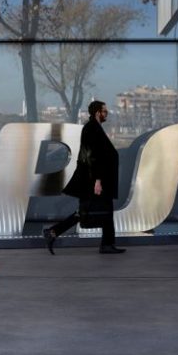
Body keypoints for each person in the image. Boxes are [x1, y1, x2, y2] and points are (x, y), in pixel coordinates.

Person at [42, 100, 126, 255]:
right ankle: (106, 244)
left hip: (95, 178)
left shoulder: (94, 128)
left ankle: (54, 233)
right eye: (104, 111)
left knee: (96, 211)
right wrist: (98, 180)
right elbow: (93, 156)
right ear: (97, 113)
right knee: (91, 211)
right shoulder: (91, 129)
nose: (106, 114)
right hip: (94, 179)